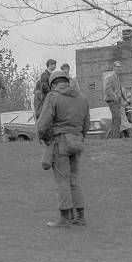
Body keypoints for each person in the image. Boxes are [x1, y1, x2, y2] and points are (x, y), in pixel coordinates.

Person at [37, 70, 90, 228]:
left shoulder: (53, 96)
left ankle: (65, 218)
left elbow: (43, 122)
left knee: (62, 181)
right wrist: (80, 136)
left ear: (53, 83)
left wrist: (42, 137)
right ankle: (80, 217)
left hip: (60, 142)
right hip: (77, 141)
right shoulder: (82, 97)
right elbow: (86, 123)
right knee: (75, 180)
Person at [103, 61, 125, 138]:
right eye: (117, 67)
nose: (119, 68)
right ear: (114, 67)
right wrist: (115, 97)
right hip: (112, 100)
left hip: (117, 101)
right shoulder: (110, 77)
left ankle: (113, 138)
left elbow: (119, 90)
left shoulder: (117, 77)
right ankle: (116, 137)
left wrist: (123, 99)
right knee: (117, 118)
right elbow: (107, 89)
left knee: (115, 118)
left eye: (120, 67)